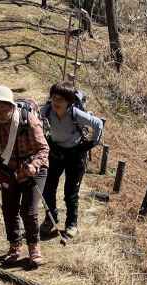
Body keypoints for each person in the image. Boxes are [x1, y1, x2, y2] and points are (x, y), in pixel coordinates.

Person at [0, 85, 49, 266]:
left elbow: (44, 149)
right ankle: (14, 247)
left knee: (28, 211)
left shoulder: (28, 120)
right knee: (9, 209)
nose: (0, 112)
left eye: (4, 107)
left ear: (11, 106)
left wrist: (34, 166)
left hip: (33, 169)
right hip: (8, 169)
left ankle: (34, 248)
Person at [39, 81, 103, 238]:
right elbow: (35, 121)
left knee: (71, 192)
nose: (56, 102)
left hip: (75, 154)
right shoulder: (46, 111)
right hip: (55, 152)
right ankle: (50, 218)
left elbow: (98, 123)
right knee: (48, 187)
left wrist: (91, 143)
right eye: (54, 98)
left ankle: (71, 223)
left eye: (60, 99)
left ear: (69, 101)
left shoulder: (76, 113)